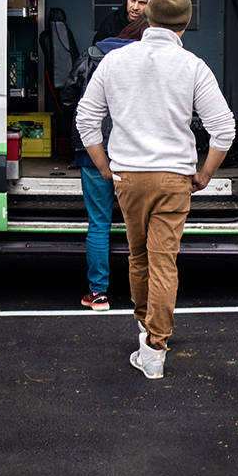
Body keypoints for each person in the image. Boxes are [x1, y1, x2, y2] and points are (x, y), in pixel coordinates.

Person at [75, 0, 234, 380]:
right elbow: (224, 128)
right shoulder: (193, 66)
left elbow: (85, 119)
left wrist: (106, 167)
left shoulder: (115, 60)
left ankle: (144, 329)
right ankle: (155, 349)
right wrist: (205, 173)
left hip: (128, 176)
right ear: (185, 24)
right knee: (164, 261)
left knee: (139, 257)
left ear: (147, 18)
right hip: (174, 178)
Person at [60, 16, 149, 311]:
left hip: (93, 149)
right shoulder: (147, 58)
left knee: (99, 222)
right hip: (134, 152)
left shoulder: (94, 53)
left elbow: (69, 94)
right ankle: (147, 291)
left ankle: (98, 293)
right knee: (140, 223)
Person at [91, 0, 157, 44]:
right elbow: (96, 50)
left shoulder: (156, 28)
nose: (135, 7)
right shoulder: (111, 23)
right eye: (132, 0)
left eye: (142, 3)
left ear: (151, 5)